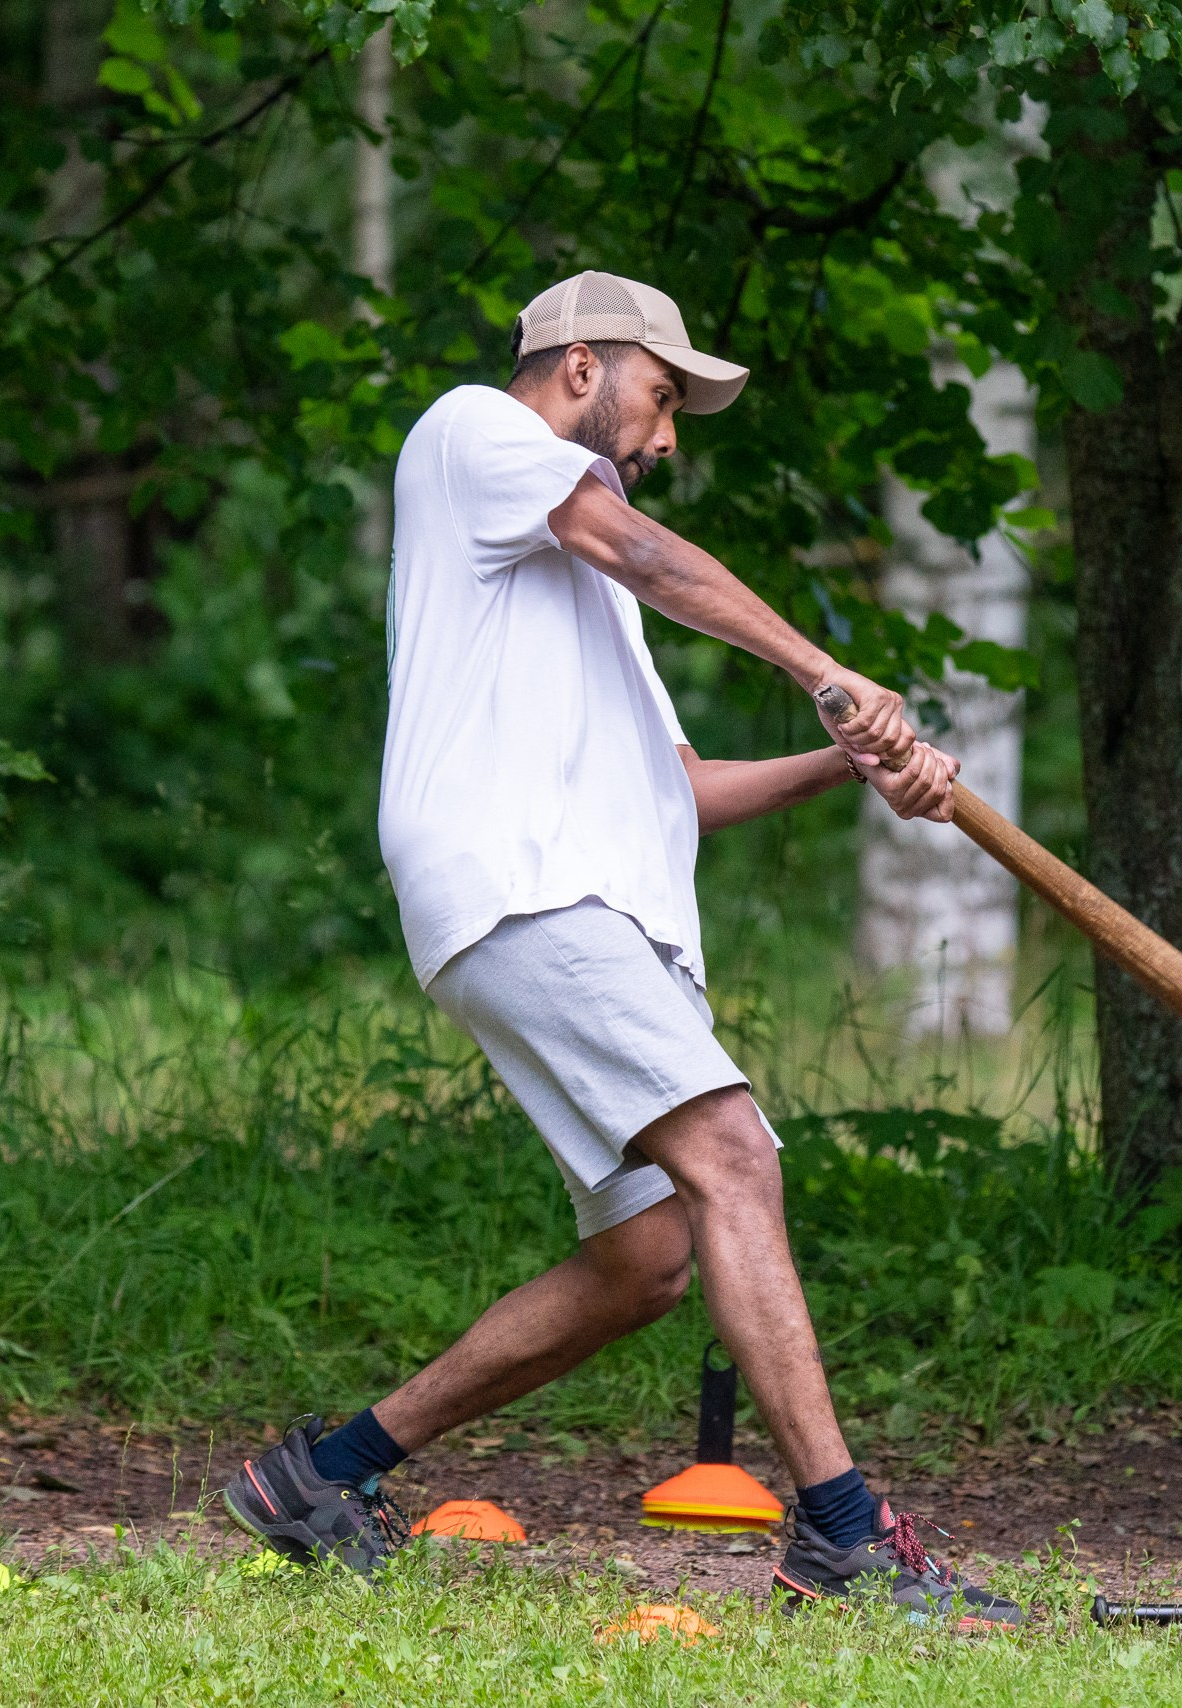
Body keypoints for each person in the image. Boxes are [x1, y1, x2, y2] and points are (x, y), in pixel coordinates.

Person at [221, 271, 1023, 1628]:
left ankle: (325, 1474)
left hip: (577, 905)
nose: (665, 440)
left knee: (646, 1258)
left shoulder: (589, 595)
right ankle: (845, 1539)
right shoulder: (477, 435)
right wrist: (828, 671)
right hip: (525, 888)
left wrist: (850, 763)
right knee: (734, 1157)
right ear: (582, 366)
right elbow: (647, 551)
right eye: (660, 400)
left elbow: (682, 789)